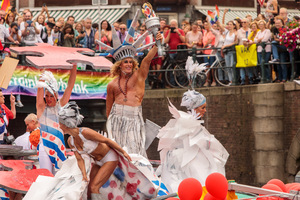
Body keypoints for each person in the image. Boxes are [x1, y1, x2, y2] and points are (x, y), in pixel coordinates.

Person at [103, 18, 162, 157]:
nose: (129, 64)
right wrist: (109, 129)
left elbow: (147, 61)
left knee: (135, 154)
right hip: (116, 119)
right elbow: (108, 110)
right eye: (126, 62)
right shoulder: (112, 84)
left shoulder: (139, 76)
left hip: (134, 119)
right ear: (119, 65)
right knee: (117, 154)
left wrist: (156, 44)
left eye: (131, 62)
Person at [157, 90, 229, 193]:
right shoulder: (187, 122)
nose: (205, 111)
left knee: (214, 164)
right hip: (187, 157)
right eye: (202, 108)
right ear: (195, 108)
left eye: (205, 107)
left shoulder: (192, 122)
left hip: (195, 154)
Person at [58, 102, 131, 200]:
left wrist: (123, 152)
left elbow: (107, 140)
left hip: (109, 158)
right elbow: (79, 159)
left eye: (60, 124)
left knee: (94, 187)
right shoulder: (70, 141)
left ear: (66, 124)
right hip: (97, 161)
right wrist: (84, 175)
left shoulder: (85, 132)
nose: (59, 126)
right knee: (88, 189)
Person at [36, 66, 77, 174]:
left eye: (51, 96)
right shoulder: (41, 108)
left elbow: (70, 86)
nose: (48, 99)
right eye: (47, 96)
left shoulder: (60, 107)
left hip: (59, 146)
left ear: (56, 96)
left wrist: (74, 65)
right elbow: (40, 88)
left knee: (59, 179)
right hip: (45, 147)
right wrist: (43, 73)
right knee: (47, 177)